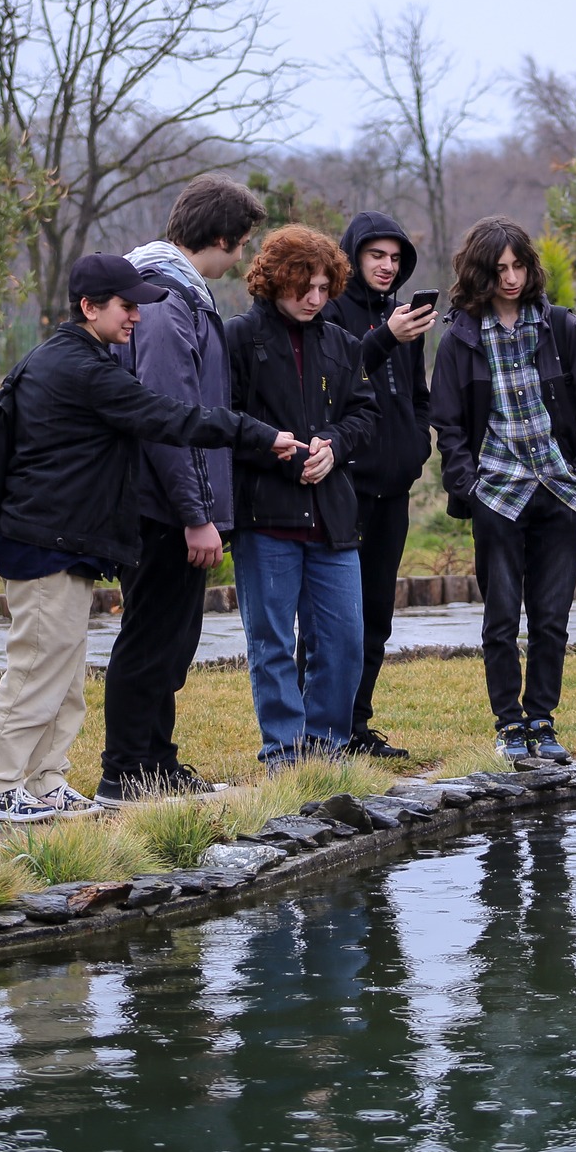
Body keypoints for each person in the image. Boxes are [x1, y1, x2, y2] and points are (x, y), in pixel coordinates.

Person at [0, 253, 299, 822]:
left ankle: (46, 780)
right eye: (126, 306)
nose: (136, 317)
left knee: (65, 672)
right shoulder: (82, 370)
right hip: (44, 539)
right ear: (89, 307)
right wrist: (258, 434)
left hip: (70, 540)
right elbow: (171, 417)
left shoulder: (79, 358)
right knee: (38, 666)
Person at [97, 176, 270, 807]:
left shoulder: (175, 292)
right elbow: (169, 418)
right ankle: (125, 772)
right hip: (161, 507)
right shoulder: (169, 301)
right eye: (242, 243)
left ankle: (156, 762)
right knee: (152, 638)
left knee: (171, 638)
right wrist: (197, 514)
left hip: (170, 502)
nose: (241, 257)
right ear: (220, 237)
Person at [431, 217, 576, 765]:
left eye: (517, 266)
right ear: (479, 273)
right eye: (499, 269)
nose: (510, 278)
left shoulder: (561, 327)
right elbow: (448, 424)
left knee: (551, 617)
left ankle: (542, 719)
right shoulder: (461, 337)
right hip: (498, 494)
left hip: (561, 491)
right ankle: (509, 725)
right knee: (501, 618)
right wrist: (469, 487)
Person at [223, 225, 379, 771]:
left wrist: (334, 446)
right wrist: (279, 451)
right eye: (303, 287)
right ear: (275, 280)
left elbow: (365, 414)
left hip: (333, 519)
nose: (315, 298)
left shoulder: (342, 343)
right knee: (271, 643)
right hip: (265, 517)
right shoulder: (237, 338)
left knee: (344, 642)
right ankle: (283, 755)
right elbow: (223, 419)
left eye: (323, 287)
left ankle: (326, 750)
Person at [322, 212, 435, 758]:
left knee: (376, 614)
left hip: (395, 489)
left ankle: (357, 726)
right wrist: (385, 338)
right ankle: (322, 729)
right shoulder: (330, 312)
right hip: (345, 485)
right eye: (376, 256)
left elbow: (418, 395)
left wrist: (417, 445)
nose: (387, 266)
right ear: (353, 256)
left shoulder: (402, 317)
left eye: (395, 258)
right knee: (334, 617)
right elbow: (337, 380)